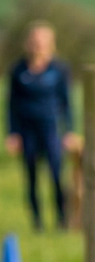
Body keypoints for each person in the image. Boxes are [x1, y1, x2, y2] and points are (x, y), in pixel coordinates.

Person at [5, 22, 79, 230]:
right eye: (34, 41)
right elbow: (11, 104)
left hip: (52, 129)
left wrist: (70, 131)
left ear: (50, 44)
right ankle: (37, 222)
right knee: (31, 177)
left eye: (42, 41)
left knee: (56, 175)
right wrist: (12, 133)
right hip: (27, 130)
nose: (38, 45)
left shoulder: (59, 69)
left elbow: (67, 102)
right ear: (28, 43)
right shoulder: (18, 70)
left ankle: (61, 220)